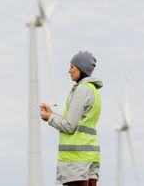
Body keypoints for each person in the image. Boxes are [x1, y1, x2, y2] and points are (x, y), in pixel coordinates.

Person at [40, 50, 103, 186]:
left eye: (72, 67)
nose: (69, 71)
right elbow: (78, 121)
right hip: (90, 156)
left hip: (75, 160)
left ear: (81, 69)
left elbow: (69, 126)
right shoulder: (93, 91)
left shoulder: (82, 90)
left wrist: (49, 118)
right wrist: (53, 114)